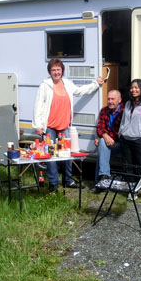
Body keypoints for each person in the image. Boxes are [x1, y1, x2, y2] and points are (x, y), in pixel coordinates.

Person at [33, 58, 104, 191]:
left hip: (64, 126)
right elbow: (38, 106)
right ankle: (53, 183)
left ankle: (68, 180)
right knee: (51, 155)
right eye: (53, 70)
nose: (56, 72)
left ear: (62, 71)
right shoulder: (45, 85)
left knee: (67, 154)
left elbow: (80, 91)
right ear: (49, 71)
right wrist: (38, 126)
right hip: (49, 126)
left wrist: (96, 84)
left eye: (58, 69)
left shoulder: (67, 84)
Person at [93, 90, 124, 190]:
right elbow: (99, 127)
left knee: (102, 145)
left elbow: (119, 132)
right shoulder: (104, 111)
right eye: (108, 99)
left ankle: (99, 182)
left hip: (120, 145)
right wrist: (105, 137)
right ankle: (103, 178)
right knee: (102, 146)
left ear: (119, 100)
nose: (110, 101)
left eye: (113, 99)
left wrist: (103, 136)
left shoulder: (124, 112)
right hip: (108, 143)